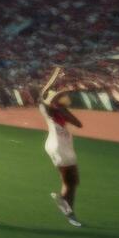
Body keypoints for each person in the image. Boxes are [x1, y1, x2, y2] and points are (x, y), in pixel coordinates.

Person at [39, 71, 85, 228]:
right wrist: (65, 110)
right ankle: (68, 212)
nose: (66, 97)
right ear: (57, 100)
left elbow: (43, 94)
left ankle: (65, 204)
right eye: (62, 96)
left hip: (58, 145)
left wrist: (55, 74)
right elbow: (79, 124)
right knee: (70, 182)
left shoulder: (48, 108)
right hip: (61, 147)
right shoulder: (58, 110)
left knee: (72, 181)